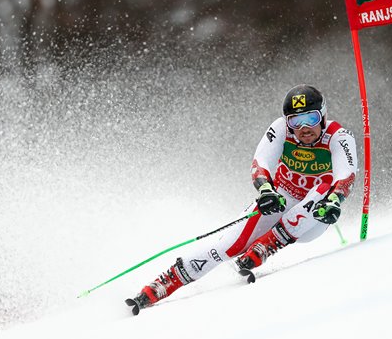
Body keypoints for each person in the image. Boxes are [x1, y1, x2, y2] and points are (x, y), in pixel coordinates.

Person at [126, 84, 357, 313]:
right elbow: (260, 162)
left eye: (311, 118)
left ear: (323, 116)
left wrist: (335, 200)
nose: (305, 128)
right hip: (283, 198)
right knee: (229, 245)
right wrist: (266, 190)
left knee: (325, 188)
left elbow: (346, 175)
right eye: (296, 121)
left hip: (314, 218)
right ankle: (163, 283)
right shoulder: (280, 129)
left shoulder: (339, 136)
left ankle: (267, 246)